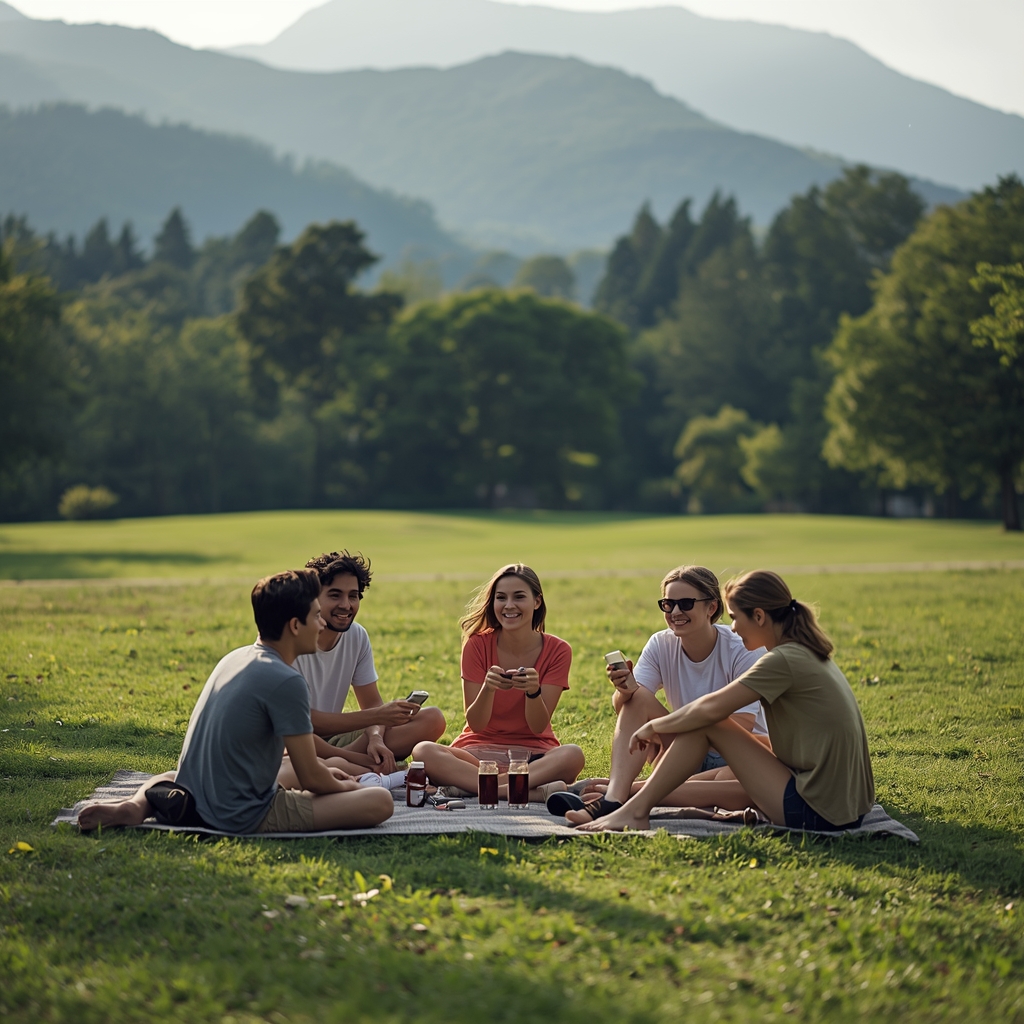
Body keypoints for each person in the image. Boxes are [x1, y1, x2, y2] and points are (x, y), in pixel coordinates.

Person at [78, 570, 394, 833]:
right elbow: (312, 777)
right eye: (316, 616)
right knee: (379, 801)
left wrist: (329, 772)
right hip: (243, 813)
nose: (323, 624)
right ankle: (355, 789)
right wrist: (350, 788)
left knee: (179, 776)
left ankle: (137, 805)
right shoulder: (287, 681)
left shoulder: (236, 658)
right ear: (295, 626)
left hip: (197, 790)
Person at [576, 570, 875, 834]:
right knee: (707, 733)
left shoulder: (782, 660)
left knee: (708, 720)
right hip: (842, 808)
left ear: (758, 616)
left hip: (817, 812)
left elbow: (712, 710)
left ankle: (633, 808)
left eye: (735, 618)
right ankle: (631, 802)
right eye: (669, 604)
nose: (731, 628)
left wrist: (654, 726)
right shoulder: (801, 652)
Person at [562, 565, 768, 824]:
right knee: (637, 697)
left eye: (685, 603)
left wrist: (679, 735)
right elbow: (629, 708)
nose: (676, 612)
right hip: (683, 749)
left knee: (729, 783)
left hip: (735, 753)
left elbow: (742, 726)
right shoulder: (661, 643)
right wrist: (624, 690)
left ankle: (623, 791)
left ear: (711, 607)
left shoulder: (741, 649)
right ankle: (614, 797)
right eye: (668, 604)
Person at [412, 564, 584, 800]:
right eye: (501, 598)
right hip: (476, 752)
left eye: (519, 597)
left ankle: (480, 789)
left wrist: (533, 692)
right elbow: (476, 724)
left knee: (573, 755)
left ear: (537, 601)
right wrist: (488, 688)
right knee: (423, 751)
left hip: (533, 754)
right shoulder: (476, 644)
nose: (509, 605)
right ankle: (526, 792)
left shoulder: (558, 650)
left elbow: (537, 726)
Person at [296, 551, 446, 775]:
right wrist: (377, 717)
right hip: (298, 742)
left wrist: (375, 736)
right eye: (335, 595)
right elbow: (304, 722)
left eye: (353, 596)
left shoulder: (356, 635)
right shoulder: (292, 640)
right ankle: (353, 764)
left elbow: (372, 704)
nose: (346, 605)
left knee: (432, 719)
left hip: (340, 740)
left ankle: (350, 764)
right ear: (313, 598)